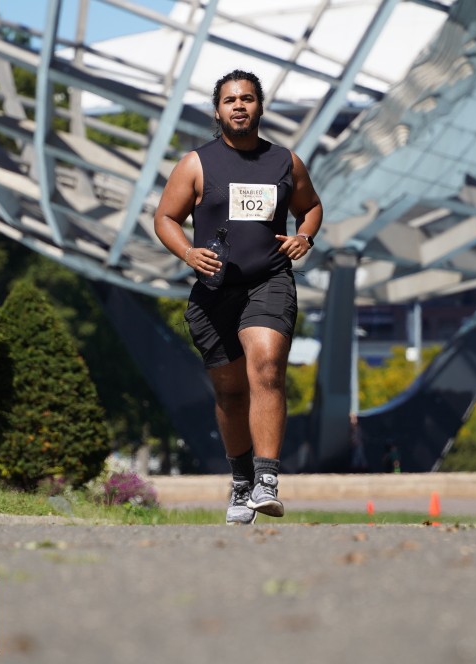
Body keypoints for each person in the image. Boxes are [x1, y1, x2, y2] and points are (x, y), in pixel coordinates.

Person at [154, 69, 323, 524]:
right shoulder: (196, 164)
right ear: (217, 111)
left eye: (247, 98)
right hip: (214, 291)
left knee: (266, 366)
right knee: (230, 394)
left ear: (260, 107)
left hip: (269, 280)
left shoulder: (285, 162)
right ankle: (242, 479)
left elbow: (310, 206)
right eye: (230, 100)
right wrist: (188, 252)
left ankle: (267, 479)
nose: (239, 106)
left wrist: (304, 236)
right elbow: (165, 218)